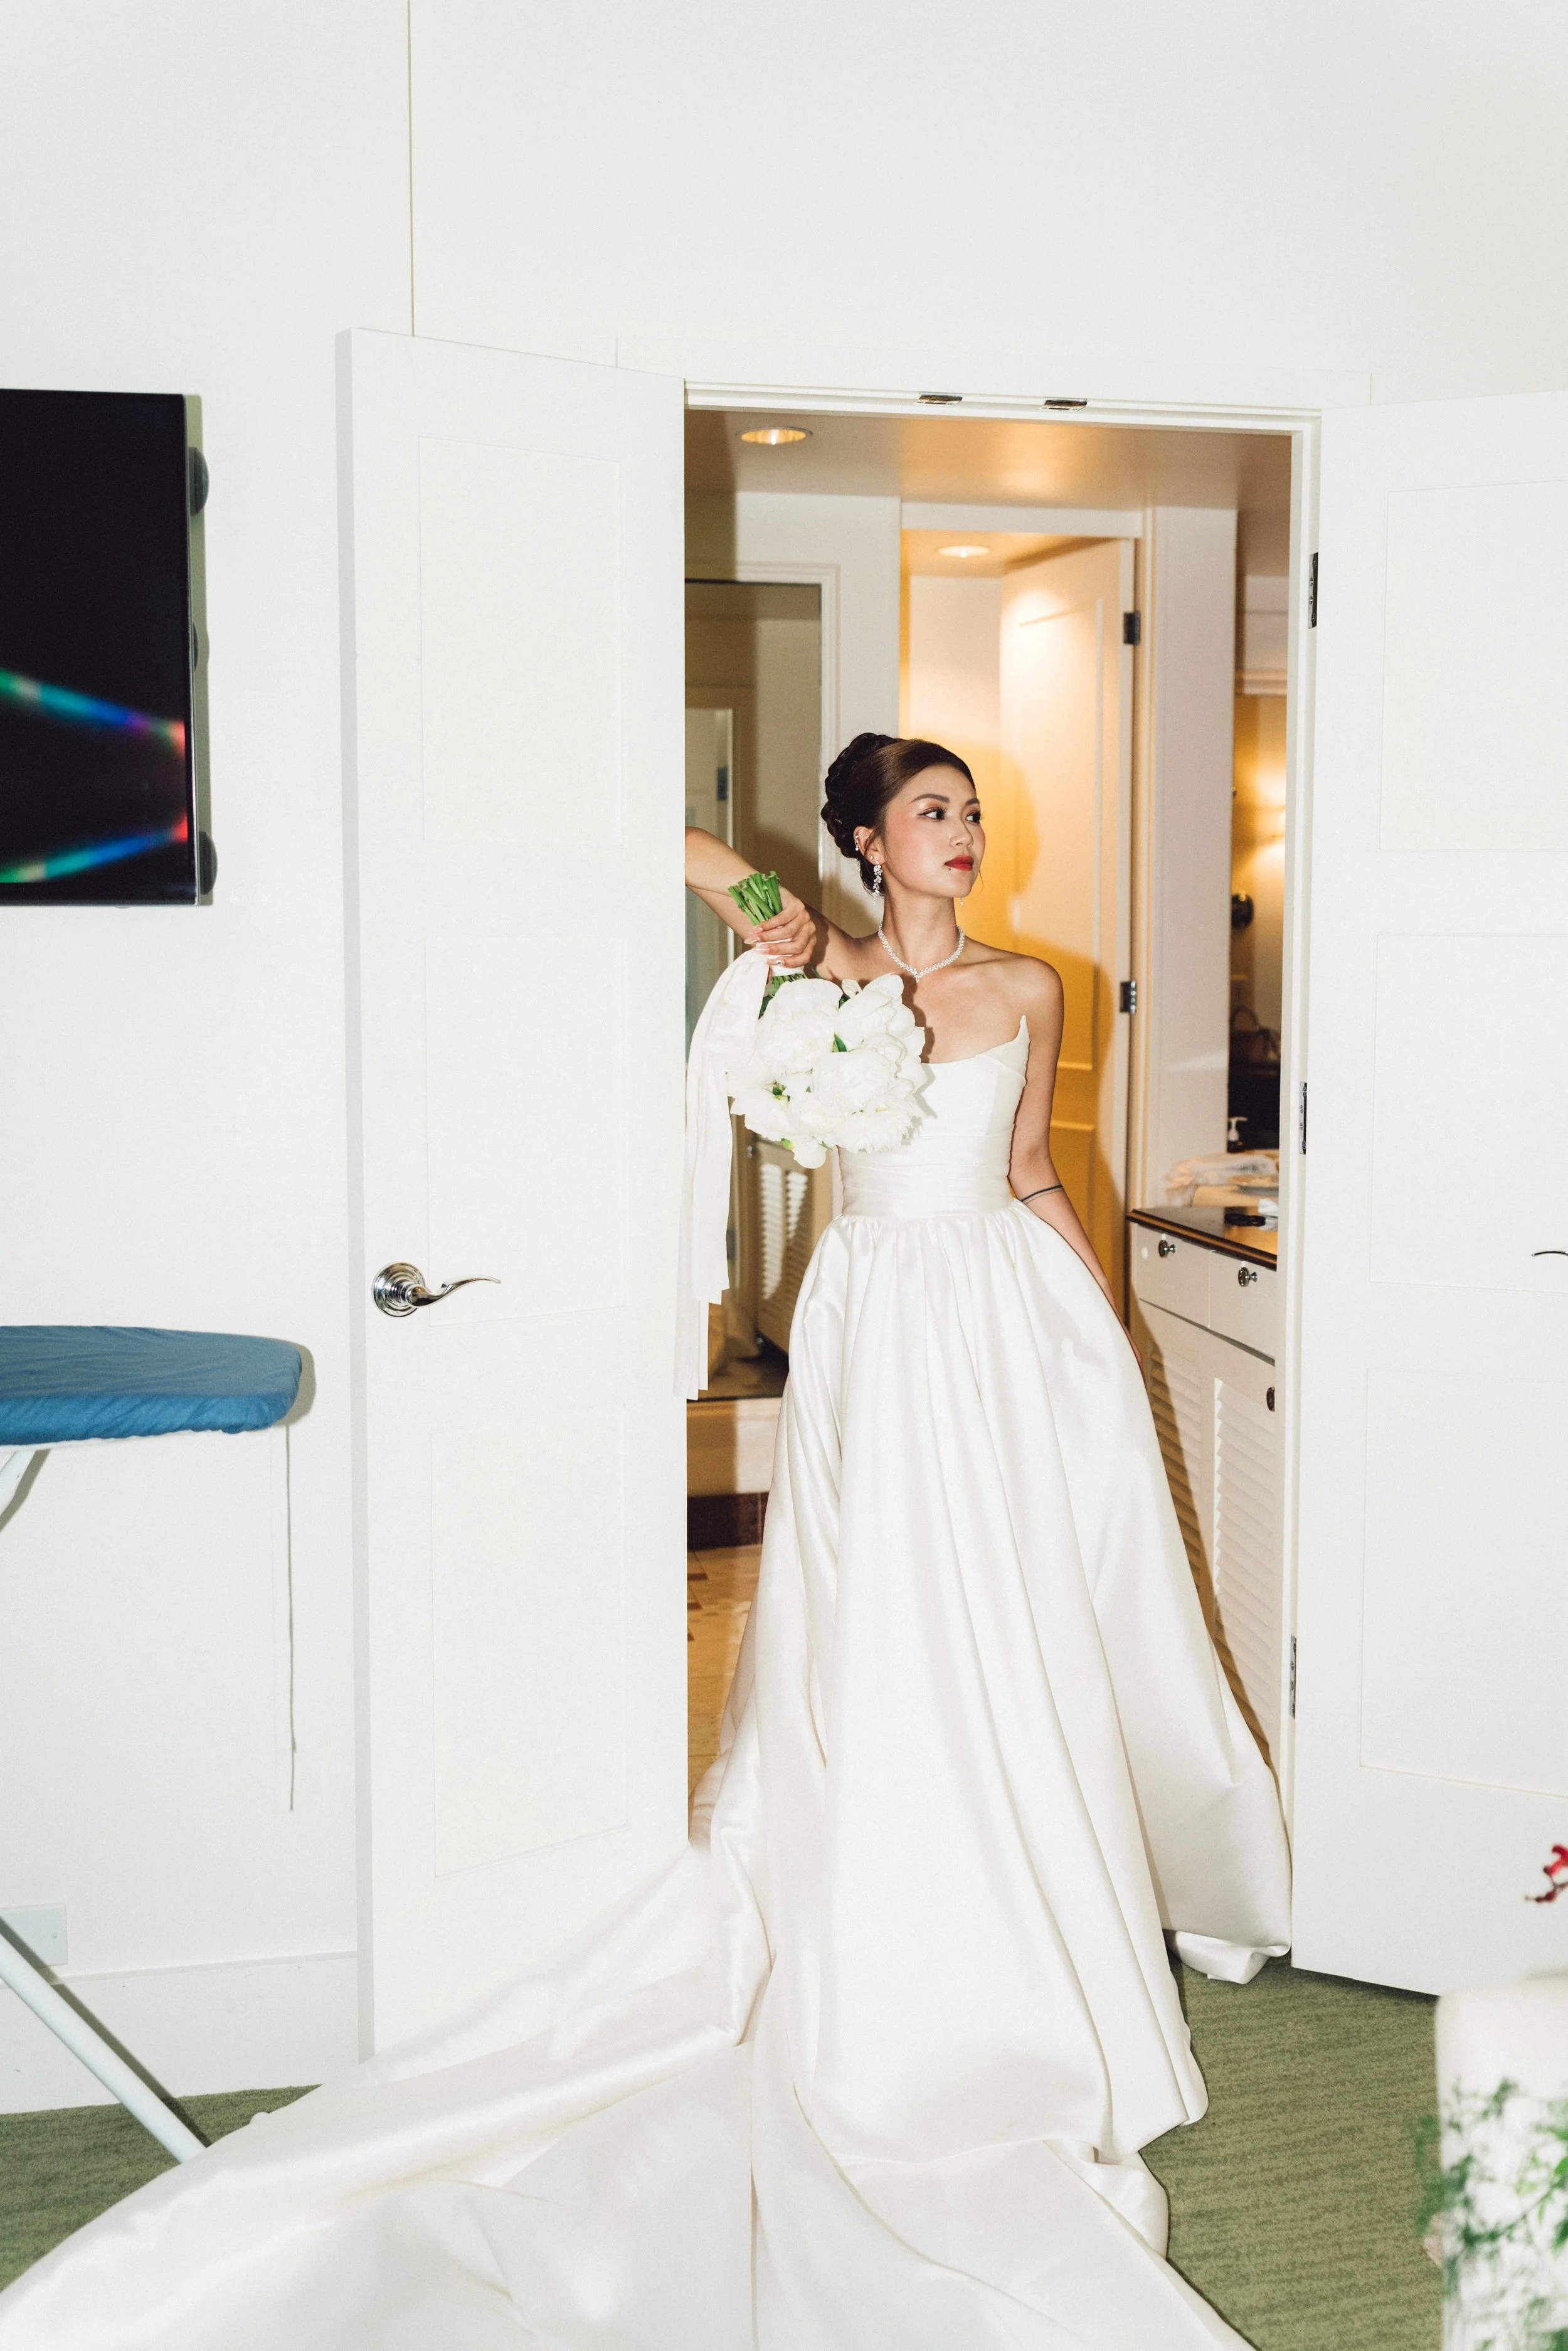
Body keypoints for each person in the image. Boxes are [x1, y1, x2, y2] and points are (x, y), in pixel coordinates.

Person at [0, 733, 1290, 2350]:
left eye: (973, 813)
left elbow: (1029, 1169)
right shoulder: (820, 974)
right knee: (885, 1618)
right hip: (878, 1320)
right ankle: (906, 1910)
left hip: (1003, 1309)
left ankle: (1045, 1902)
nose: (963, 833)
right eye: (930, 813)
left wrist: (1104, 1322)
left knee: (1023, 1609)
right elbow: (680, 849)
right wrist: (770, 904)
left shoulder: (1034, 987)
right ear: (868, 839)